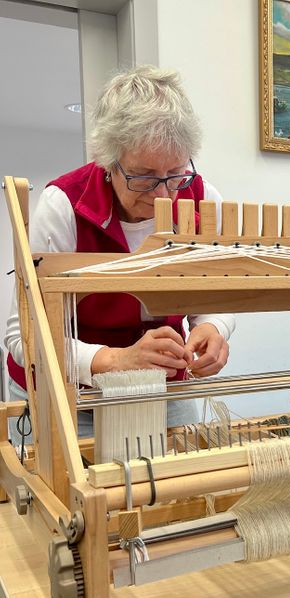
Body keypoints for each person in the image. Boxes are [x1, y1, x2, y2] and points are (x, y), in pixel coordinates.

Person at [4, 65, 235, 442]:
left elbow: (216, 289)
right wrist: (115, 360)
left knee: (178, 487)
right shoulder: (64, 205)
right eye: (143, 177)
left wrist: (213, 327)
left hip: (161, 382)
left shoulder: (203, 199)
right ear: (108, 164)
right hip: (65, 388)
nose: (163, 196)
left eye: (175, 174)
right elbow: (23, 335)